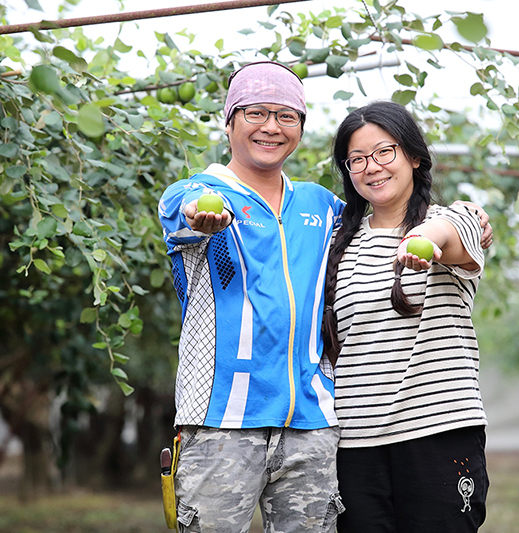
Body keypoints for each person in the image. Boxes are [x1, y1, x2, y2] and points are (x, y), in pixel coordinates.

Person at [157, 61, 346, 533]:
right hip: (222, 420)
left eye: (286, 116)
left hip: (312, 424)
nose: (271, 127)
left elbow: (389, 213)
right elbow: (186, 210)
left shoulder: (321, 206)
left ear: (301, 127)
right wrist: (203, 216)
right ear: (229, 122)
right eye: (256, 113)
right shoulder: (199, 192)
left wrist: (461, 218)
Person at [322, 100, 490, 533]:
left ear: (413, 157)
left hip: (437, 434)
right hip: (355, 444)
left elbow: (451, 235)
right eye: (356, 159)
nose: (371, 167)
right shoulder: (337, 244)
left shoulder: (451, 220)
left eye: (384, 152)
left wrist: (420, 240)